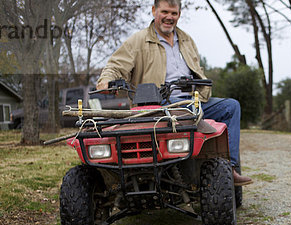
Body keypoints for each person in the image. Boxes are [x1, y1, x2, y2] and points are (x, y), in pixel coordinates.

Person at [96, 0, 252, 185]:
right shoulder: (138, 41)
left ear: (179, 14)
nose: (169, 17)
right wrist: (105, 82)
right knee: (189, 112)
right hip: (158, 105)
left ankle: (229, 169)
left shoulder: (186, 40)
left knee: (230, 107)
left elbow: (197, 69)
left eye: (174, 13)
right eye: (164, 12)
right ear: (154, 11)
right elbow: (115, 66)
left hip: (192, 101)